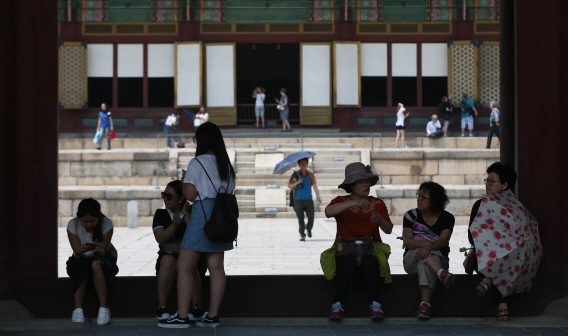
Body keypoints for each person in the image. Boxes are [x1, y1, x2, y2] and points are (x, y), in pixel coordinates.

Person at [159, 122, 236, 329]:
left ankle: (182, 316)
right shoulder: (226, 164)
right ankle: (212, 316)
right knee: (217, 268)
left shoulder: (197, 163)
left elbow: (191, 195)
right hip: (223, 217)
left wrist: (186, 180)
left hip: (203, 215)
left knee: (184, 266)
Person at [324, 162, 393, 321]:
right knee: (346, 265)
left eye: (367, 181)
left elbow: (388, 229)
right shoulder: (340, 200)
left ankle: (375, 304)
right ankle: (338, 305)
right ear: (351, 185)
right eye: (361, 182)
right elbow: (328, 212)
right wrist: (353, 203)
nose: (366, 184)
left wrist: (379, 220)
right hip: (346, 249)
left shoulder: (377, 203)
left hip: (370, 249)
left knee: (371, 264)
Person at [468, 162, 518, 321]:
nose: (488, 184)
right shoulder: (480, 205)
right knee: (500, 258)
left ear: (504, 185)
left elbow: (516, 236)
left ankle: (487, 280)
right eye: (487, 180)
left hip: (508, 257)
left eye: (492, 181)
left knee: (507, 256)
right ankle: (503, 306)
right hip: (483, 256)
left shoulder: (514, 208)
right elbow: (471, 237)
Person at [153, 180, 206, 323]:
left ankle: (197, 306)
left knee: (190, 263)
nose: (165, 199)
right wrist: (174, 225)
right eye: (164, 195)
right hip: (169, 254)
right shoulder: (161, 214)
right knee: (168, 260)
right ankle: (162, 306)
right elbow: (160, 239)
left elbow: (196, 235)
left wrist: (185, 214)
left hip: (191, 257)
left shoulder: (193, 212)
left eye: (169, 196)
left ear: (181, 198)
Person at [402, 181, 455, 320]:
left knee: (424, 263)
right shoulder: (411, 215)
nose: (419, 199)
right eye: (418, 195)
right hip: (411, 258)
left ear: (435, 200)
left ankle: (424, 305)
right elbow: (407, 240)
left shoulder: (447, 218)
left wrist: (429, 247)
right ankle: (441, 274)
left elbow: (443, 241)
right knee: (424, 256)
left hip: (439, 259)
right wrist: (422, 244)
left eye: (423, 197)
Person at [66, 198, 118, 325]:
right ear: (79, 218)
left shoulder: (106, 223)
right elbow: (76, 253)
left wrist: (100, 248)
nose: (89, 225)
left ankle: (103, 307)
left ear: (98, 218)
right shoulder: (73, 224)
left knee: (95, 263)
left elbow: (104, 252)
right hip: (80, 259)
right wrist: (81, 250)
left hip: (102, 259)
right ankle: (77, 308)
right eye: (85, 221)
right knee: (82, 265)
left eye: (93, 221)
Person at [288, 158, 321, 241]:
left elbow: (315, 186)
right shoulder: (295, 174)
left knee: (311, 217)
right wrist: (298, 182)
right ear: (299, 164)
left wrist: (318, 196)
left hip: (308, 200)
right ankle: (302, 234)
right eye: (302, 163)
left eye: (305, 163)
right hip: (298, 200)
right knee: (300, 219)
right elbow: (289, 185)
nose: (304, 164)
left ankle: (309, 228)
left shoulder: (311, 174)